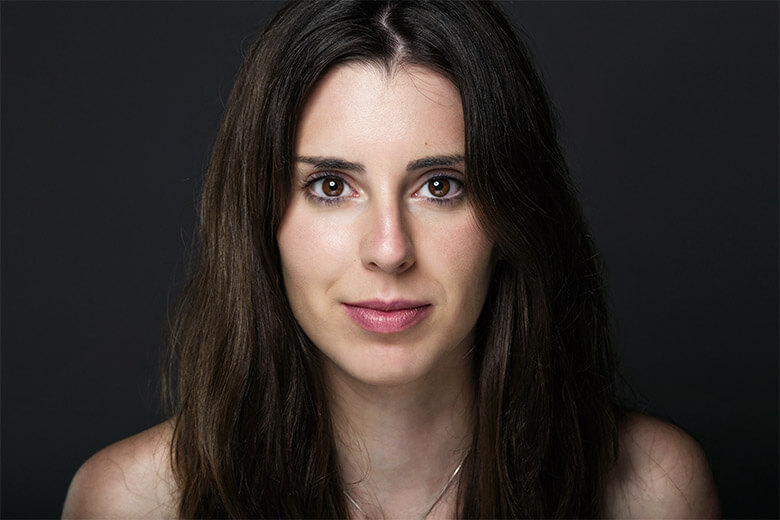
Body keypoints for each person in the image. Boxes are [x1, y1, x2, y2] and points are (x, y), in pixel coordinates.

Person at [62, 1, 720, 518]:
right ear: (260, 218)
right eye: (331, 186)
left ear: (514, 214)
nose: (389, 250)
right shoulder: (132, 503)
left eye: (441, 186)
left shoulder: (652, 492)